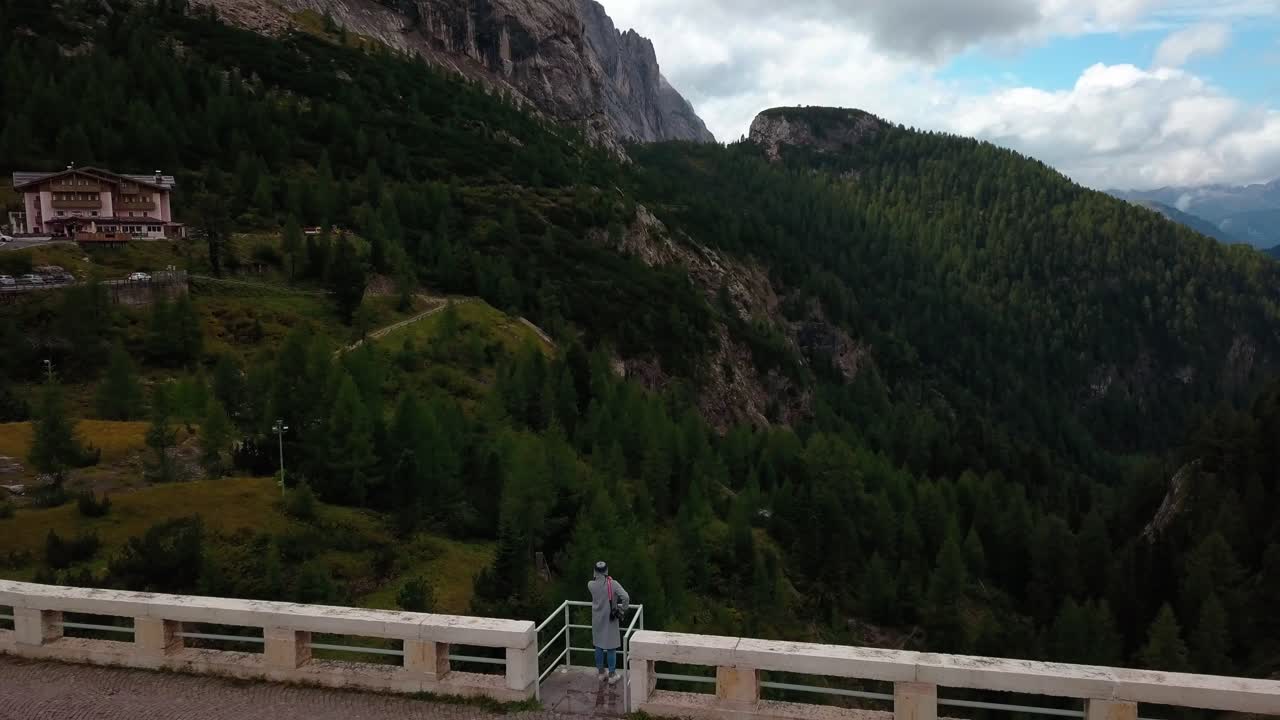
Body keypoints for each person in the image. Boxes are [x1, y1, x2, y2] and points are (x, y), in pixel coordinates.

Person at [588, 560, 630, 685]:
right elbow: (626, 597)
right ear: (606, 570)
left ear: (595, 571)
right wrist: (623, 608)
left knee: (598, 646)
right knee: (611, 647)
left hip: (596, 619)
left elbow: (597, 584)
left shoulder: (590, 584)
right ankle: (612, 675)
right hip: (610, 619)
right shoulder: (613, 584)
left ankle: (601, 673)